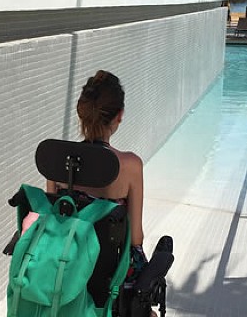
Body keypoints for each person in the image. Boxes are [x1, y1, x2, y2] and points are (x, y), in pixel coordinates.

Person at [44, 70, 154, 315]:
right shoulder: (130, 165)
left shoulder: (58, 160)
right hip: (110, 275)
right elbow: (135, 238)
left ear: (81, 113)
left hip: (66, 269)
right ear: (119, 116)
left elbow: (56, 221)